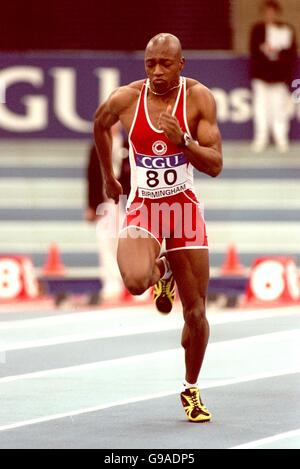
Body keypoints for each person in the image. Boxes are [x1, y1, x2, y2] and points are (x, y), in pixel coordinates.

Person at [94, 33, 222, 422]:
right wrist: (108, 178)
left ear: (181, 65)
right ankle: (160, 270)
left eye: (166, 64)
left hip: (182, 208)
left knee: (195, 314)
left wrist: (182, 141)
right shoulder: (126, 99)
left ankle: (190, 387)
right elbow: (99, 126)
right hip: (144, 208)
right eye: (150, 64)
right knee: (134, 282)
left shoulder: (199, 98)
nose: (157, 72)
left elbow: (215, 164)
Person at [85, 124, 130, 301]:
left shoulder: (129, 146)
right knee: (105, 243)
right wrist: (91, 205)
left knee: (126, 242)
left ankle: (130, 282)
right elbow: (91, 177)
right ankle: (111, 283)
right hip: (105, 203)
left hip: (125, 202)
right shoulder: (97, 147)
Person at [249, 0, 297, 153]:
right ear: (263, 13)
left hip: (279, 76)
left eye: (272, 12)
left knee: (279, 108)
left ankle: (281, 139)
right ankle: (261, 138)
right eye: (267, 12)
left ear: (277, 13)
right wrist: (266, 51)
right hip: (261, 76)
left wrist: (277, 52)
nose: (270, 15)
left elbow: (291, 53)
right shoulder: (257, 30)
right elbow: (254, 52)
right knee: (261, 108)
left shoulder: (287, 29)